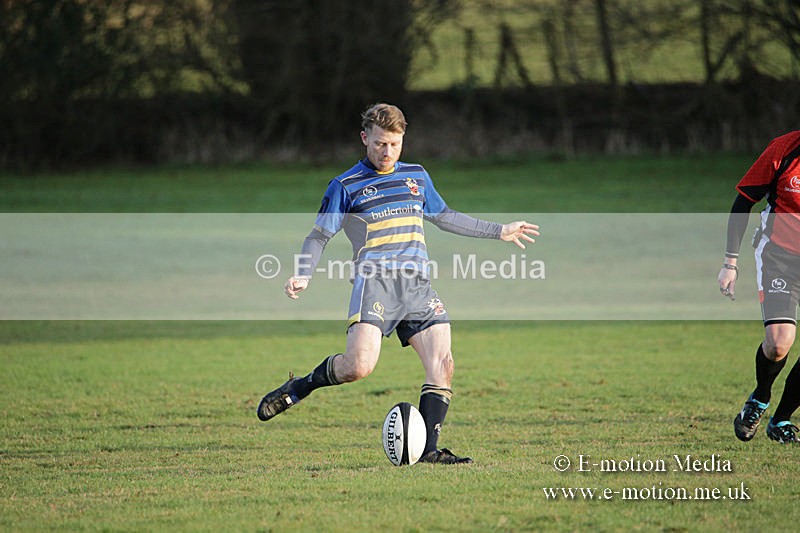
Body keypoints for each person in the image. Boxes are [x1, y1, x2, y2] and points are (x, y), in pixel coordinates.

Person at [257, 103, 540, 463]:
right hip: (375, 285)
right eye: (379, 144)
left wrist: (499, 231)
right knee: (357, 367)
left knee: (443, 362)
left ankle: (429, 453)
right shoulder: (345, 186)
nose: (387, 151)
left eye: (394, 143)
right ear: (365, 139)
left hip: (417, 286)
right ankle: (300, 386)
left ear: (402, 139)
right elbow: (318, 236)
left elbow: (445, 216)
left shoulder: (417, 177)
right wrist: (304, 272)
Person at [721, 129, 800, 444]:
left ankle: (781, 420)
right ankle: (760, 398)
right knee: (779, 343)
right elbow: (744, 202)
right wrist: (730, 263)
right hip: (778, 256)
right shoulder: (783, 150)